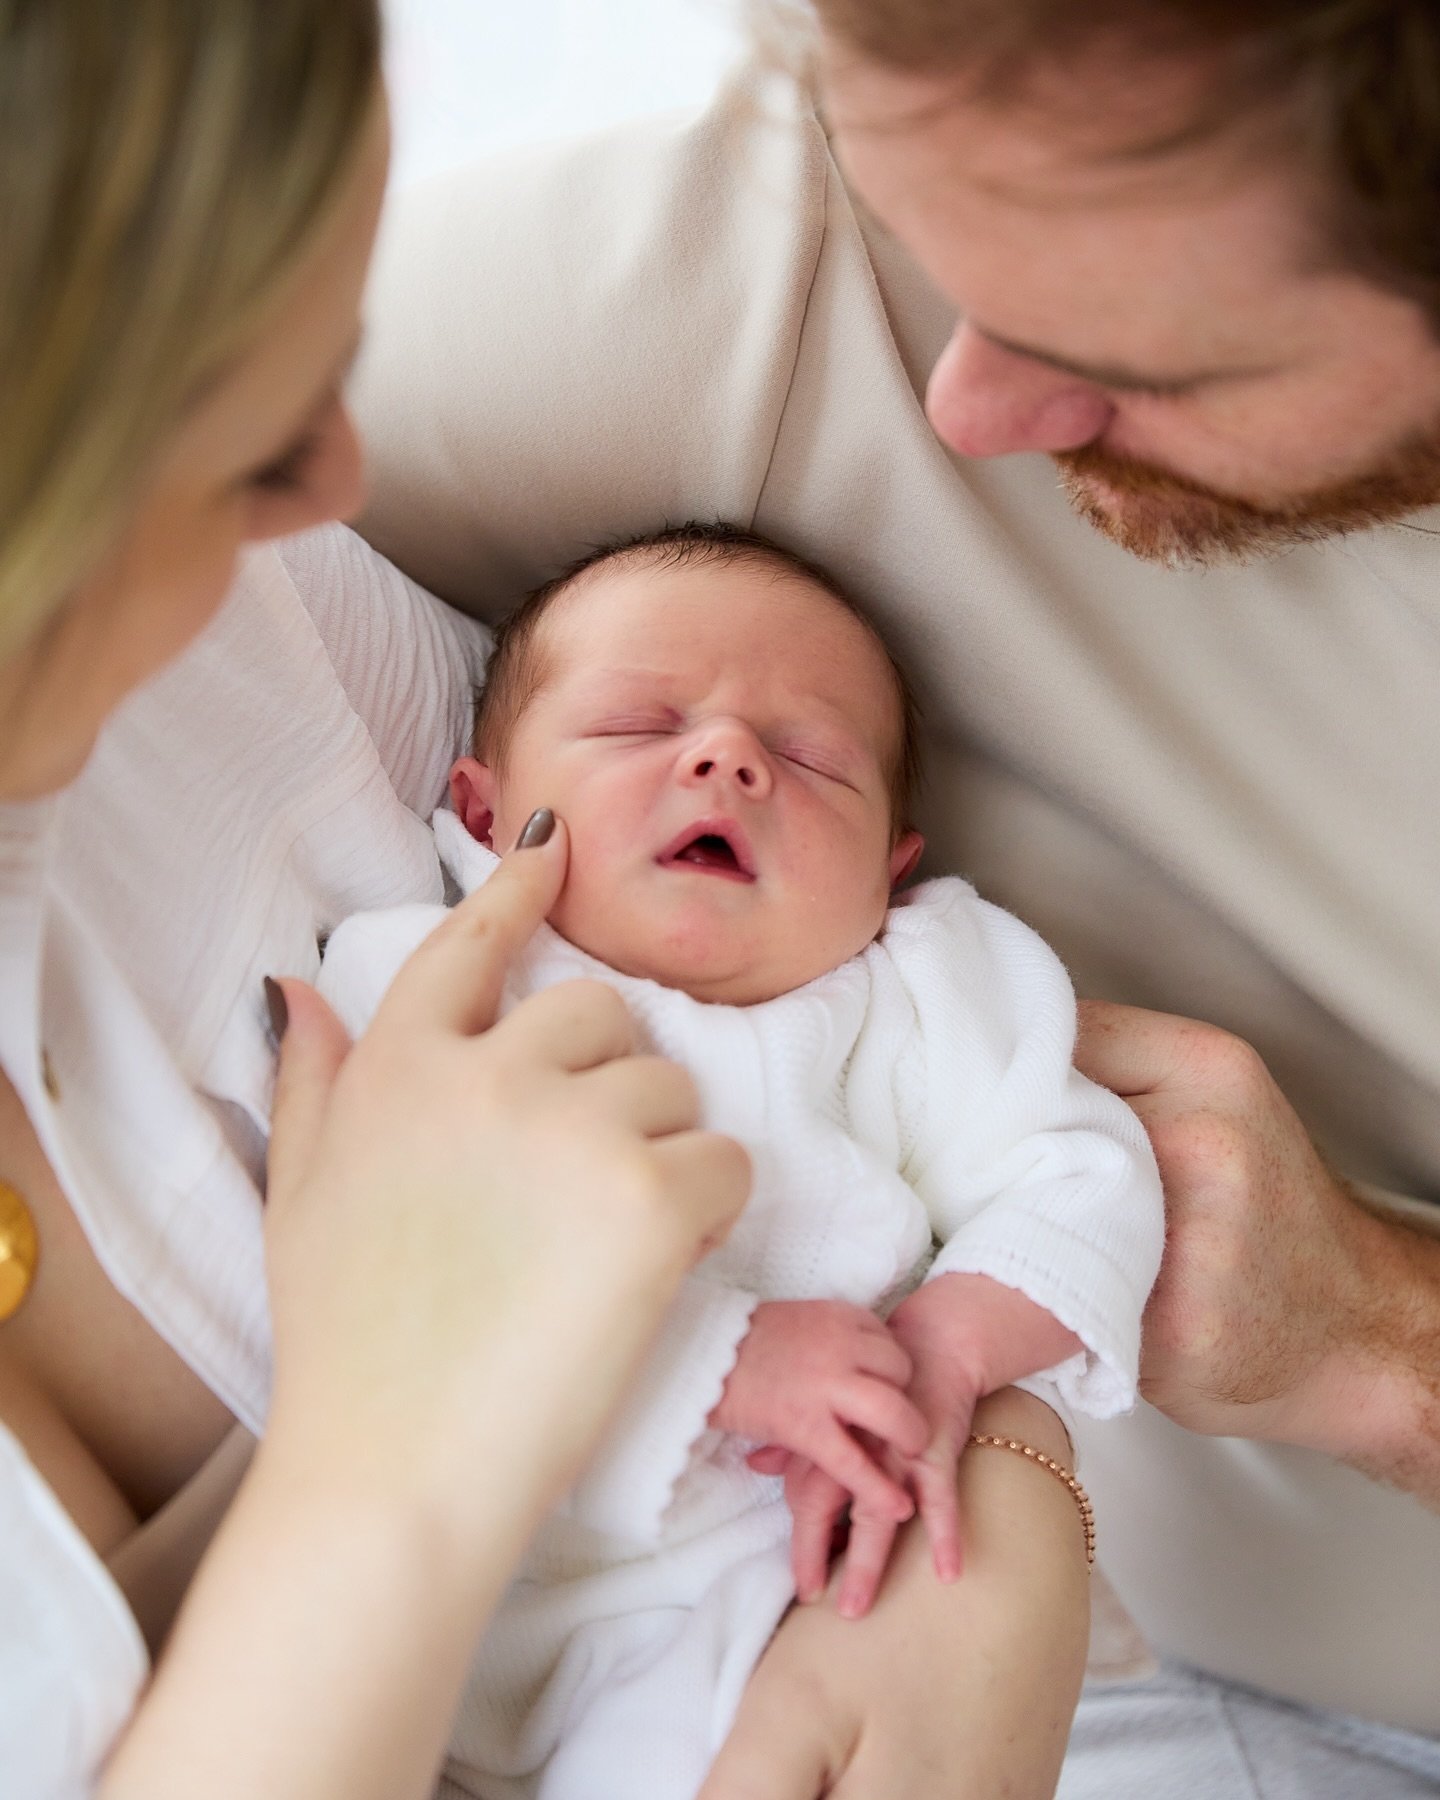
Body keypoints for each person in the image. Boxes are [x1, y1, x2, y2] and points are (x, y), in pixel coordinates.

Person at [346, 2, 1440, 1794]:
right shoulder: (756, 283)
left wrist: (1387, 1343)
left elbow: (1059, 1184)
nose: (973, 409)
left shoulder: (938, 990)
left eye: (1146, 354)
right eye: (948, 254)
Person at [0, 5, 1092, 1797]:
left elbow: (982, 1107)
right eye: (227, 428)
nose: (331, 492)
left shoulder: (269, 632)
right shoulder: (395, 908)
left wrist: (1003, 1500)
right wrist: (407, 1440)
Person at [313, 522, 1162, 1798]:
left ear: (891, 871)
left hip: (813, 1585)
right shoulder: (441, 976)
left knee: (950, 1570)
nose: (726, 759)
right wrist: (722, 1360)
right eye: (638, 725)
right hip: (494, 1603)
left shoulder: (923, 990)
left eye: (813, 758)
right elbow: (406, 1253)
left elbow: (1086, 1175)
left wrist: (952, 1346)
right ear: (485, 815)